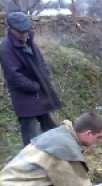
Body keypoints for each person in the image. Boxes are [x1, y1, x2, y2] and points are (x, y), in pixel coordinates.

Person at [0, 11, 62, 147]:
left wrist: (45, 75)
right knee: (30, 136)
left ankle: (57, 152)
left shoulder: (28, 40)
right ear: (10, 29)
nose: (24, 34)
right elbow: (14, 76)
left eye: (26, 31)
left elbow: (40, 61)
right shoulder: (5, 48)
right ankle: (29, 163)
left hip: (40, 91)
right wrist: (34, 87)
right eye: (20, 32)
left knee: (50, 127)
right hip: (25, 96)